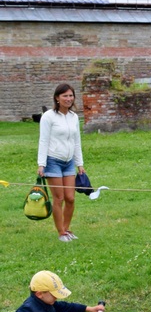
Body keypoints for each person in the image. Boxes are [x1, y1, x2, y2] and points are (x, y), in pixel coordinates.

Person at [36, 83, 85, 241]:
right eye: (65, 96)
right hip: (53, 161)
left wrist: (80, 163)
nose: (68, 99)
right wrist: (41, 163)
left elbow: (77, 141)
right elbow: (43, 141)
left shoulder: (74, 117)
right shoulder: (48, 117)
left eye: (71, 95)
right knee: (59, 198)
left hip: (69, 162)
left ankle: (67, 228)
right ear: (57, 98)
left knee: (70, 198)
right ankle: (61, 232)